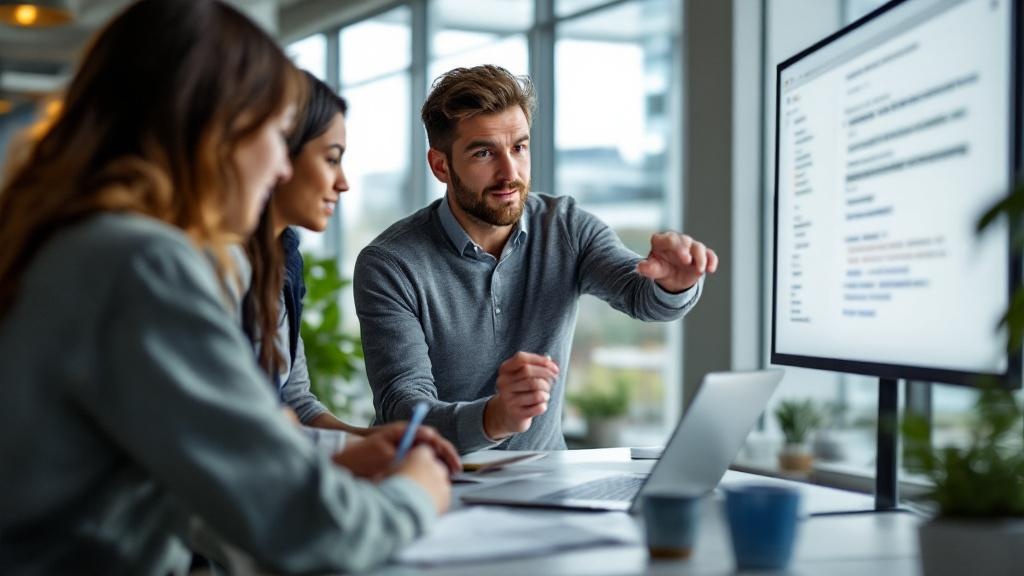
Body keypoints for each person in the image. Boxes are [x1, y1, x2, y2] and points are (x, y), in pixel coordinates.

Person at [0, 1, 456, 574]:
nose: (283, 168)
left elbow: (182, 482)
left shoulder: (65, 243)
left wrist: (325, 465)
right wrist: (417, 492)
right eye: (273, 133)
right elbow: (311, 531)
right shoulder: (140, 263)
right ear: (214, 131)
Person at [354, 64, 718, 454]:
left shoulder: (566, 226)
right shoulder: (390, 264)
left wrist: (672, 282)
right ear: (441, 165)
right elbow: (402, 408)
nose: (509, 172)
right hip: (435, 480)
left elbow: (639, 294)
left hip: (547, 479)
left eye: (519, 147)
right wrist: (494, 417)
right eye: (483, 153)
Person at [242, 70, 368, 437]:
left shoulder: (284, 257)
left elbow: (294, 401)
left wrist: (370, 440)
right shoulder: (209, 265)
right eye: (331, 159)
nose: (342, 182)